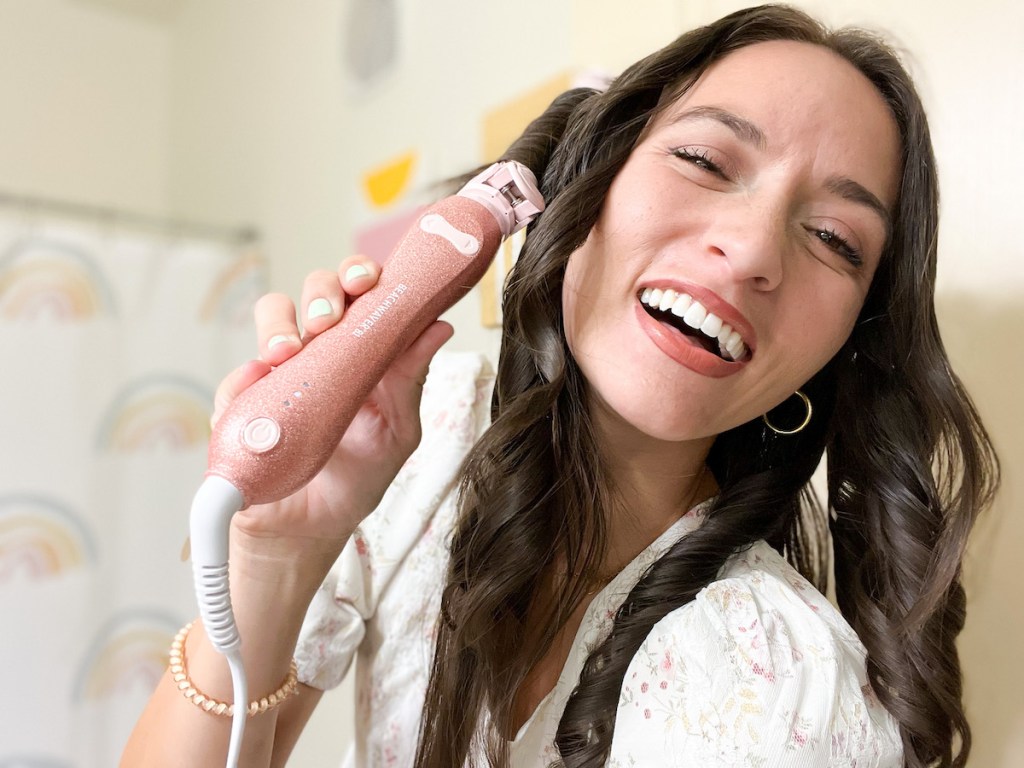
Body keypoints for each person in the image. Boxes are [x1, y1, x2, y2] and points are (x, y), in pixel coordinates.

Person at [123, 4, 999, 767]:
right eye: (704, 158)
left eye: (835, 240)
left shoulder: (785, 687)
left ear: (841, 347)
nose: (754, 249)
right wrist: (279, 552)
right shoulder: (428, 439)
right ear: (587, 180)